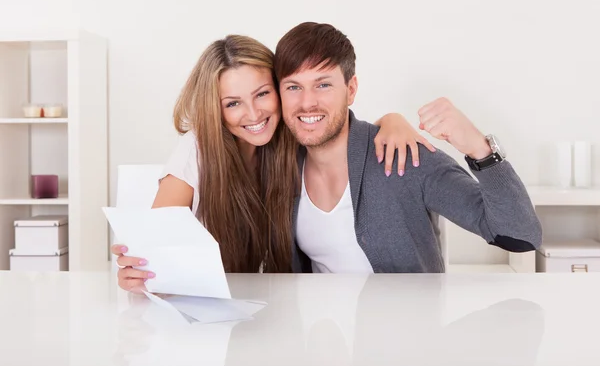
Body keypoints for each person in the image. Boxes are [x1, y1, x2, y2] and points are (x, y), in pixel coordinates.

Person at [111, 34, 435, 292]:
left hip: (279, 303)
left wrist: (391, 121)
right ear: (216, 109)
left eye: (262, 94)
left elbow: (342, 134)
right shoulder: (195, 150)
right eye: (233, 103)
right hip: (209, 307)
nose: (253, 114)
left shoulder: (289, 142)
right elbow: (153, 250)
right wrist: (138, 276)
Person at [272, 22, 542, 274]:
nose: (307, 102)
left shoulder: (403, 157)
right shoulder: (280, 167)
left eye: (323, 85)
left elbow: (520, 236)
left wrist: (479, 147)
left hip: (406, 324)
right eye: (294, 87)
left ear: (351, 89)